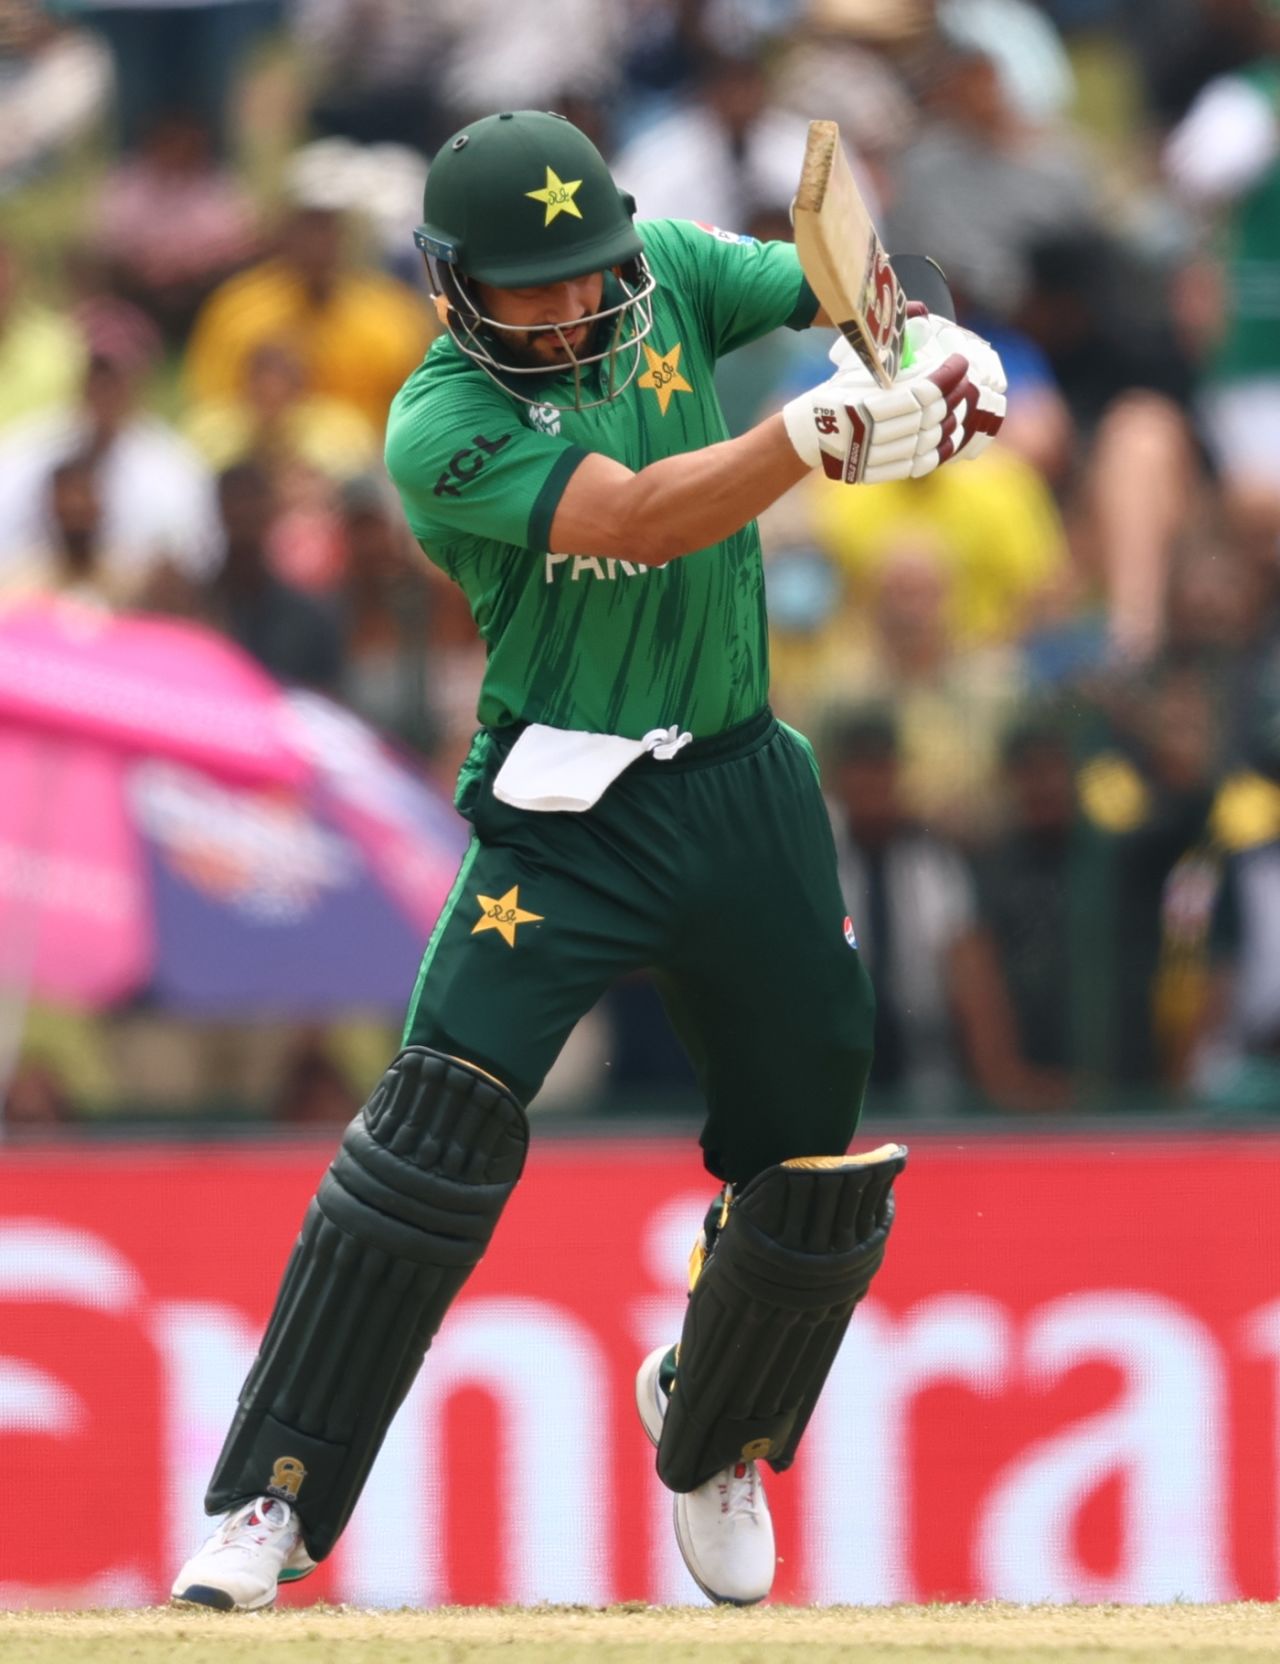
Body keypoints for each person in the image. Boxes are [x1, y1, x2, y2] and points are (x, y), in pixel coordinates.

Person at [171, 109, 1005, 1613]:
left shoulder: (667, 268)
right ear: (449, 287)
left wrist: (931, 342)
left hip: (742, 780)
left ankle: (719, 1418)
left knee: (810, 1151)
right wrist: (812, 436)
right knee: (431, 1136)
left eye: (589, 271)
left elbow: (838, 280)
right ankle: (269, 1505)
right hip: (561, 817)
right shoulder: (436, 427)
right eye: (529, 286)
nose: (572, 306)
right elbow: (639, 514)